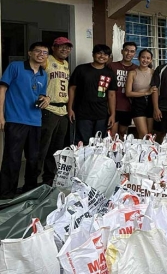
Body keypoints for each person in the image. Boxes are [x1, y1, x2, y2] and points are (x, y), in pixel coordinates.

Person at [0, 42, 50, 198]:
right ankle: (6, 195)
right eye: (38, 51)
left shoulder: (44, 74)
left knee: (34, 158)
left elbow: (40, 95)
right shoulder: (16, 67)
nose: (41, 54)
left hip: (35, 121)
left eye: (45, 52)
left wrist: (46, 98)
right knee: (12, 158)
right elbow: (2, 89)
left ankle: (29, 191)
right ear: (30, 53)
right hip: (16, 120)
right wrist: (1, 115)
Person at [38, 37, 72, 187]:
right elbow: (35, 77)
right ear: (54, 48)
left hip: (62, 110)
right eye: (61, 47)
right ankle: (33, 181)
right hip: (49, 109)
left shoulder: (66, 64)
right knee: (42, 147)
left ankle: (49, 180)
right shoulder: (47, 60)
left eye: (67, 47)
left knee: (56, 150)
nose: (64, 50)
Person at [68, 44, 117, 145]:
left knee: (99, 143)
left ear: (109, 57)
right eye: (99, 53)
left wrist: (112, 114)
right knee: (83, 143)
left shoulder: (110, 73)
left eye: (105, 54)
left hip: (102, 114)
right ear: (93, 54)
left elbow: (111, 95)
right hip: (82, 113)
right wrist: (70, 108)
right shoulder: (81, 69)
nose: (102, 56)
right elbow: (72, 89)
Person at [108, 42, 137, 137]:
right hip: (113, 106)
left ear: (135, 54)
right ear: (122, 51)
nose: (129, 53)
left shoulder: (136, 69)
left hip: (127, 106)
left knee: (122, 133)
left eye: (132, 51)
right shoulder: (112, 66)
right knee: (112, 134)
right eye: (126, 50)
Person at [125, 49, 156, 138]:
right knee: (144, 134)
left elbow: (156, 90)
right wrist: (146, 92)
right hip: (138, 103)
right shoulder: (132, 73)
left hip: (151, 103)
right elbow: (128, 93)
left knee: (150, 134)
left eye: (148, 58)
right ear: (138, 58)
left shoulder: (153, 72)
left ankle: (149, 151)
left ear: (151, 60)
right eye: (143, 57)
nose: (145, 60)